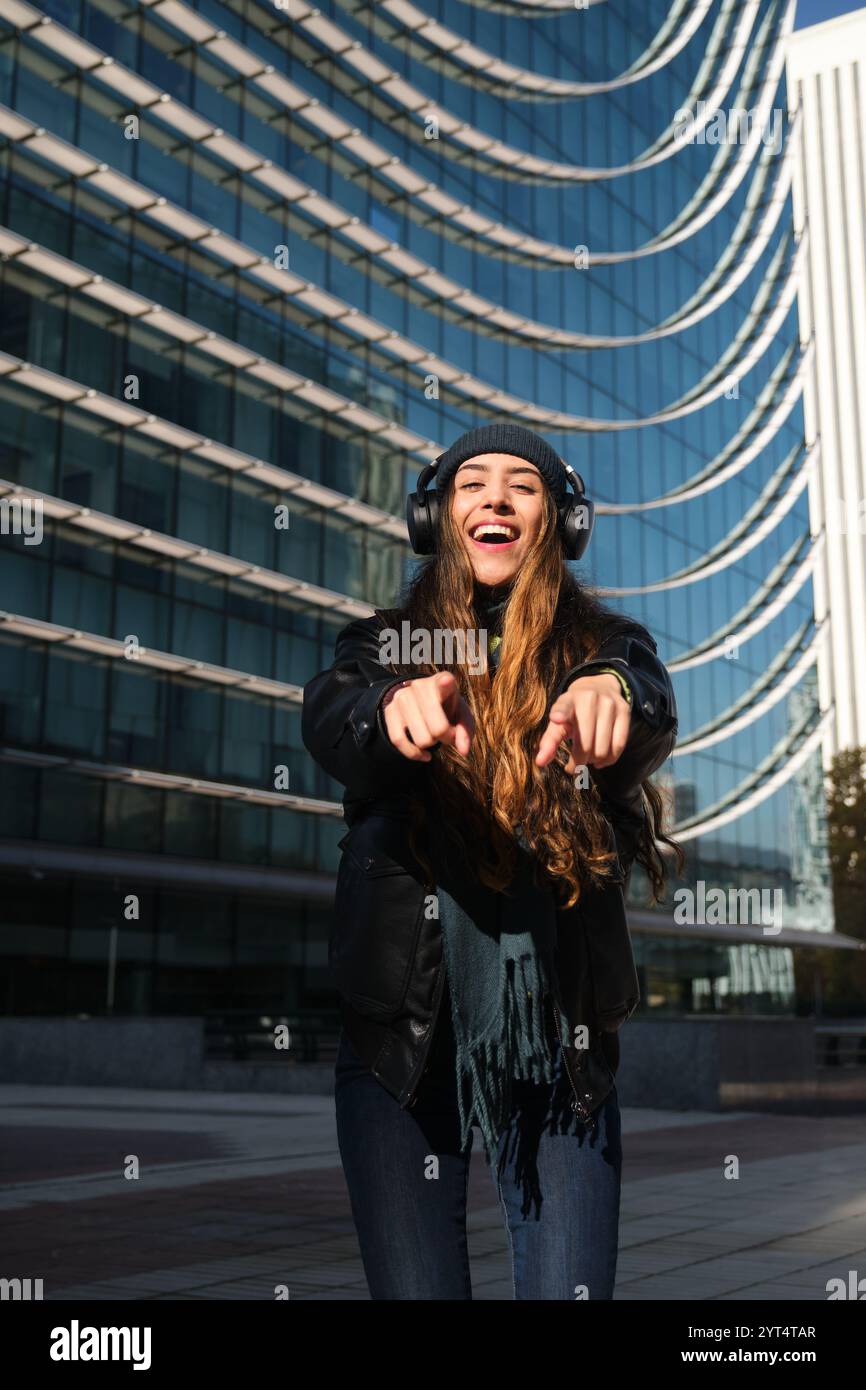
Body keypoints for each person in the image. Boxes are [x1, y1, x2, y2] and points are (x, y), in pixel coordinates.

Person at [301, 421, 682, 1300]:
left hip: (560, 1043)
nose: (497, 499)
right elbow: (334, 712)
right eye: (473, 484)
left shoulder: (604, 644)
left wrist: (609, 691)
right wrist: (391, 708)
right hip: (400, 1034)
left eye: (524, 485)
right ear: (438, 516)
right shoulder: (391, 640)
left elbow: (646, 695)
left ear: (559, 522)